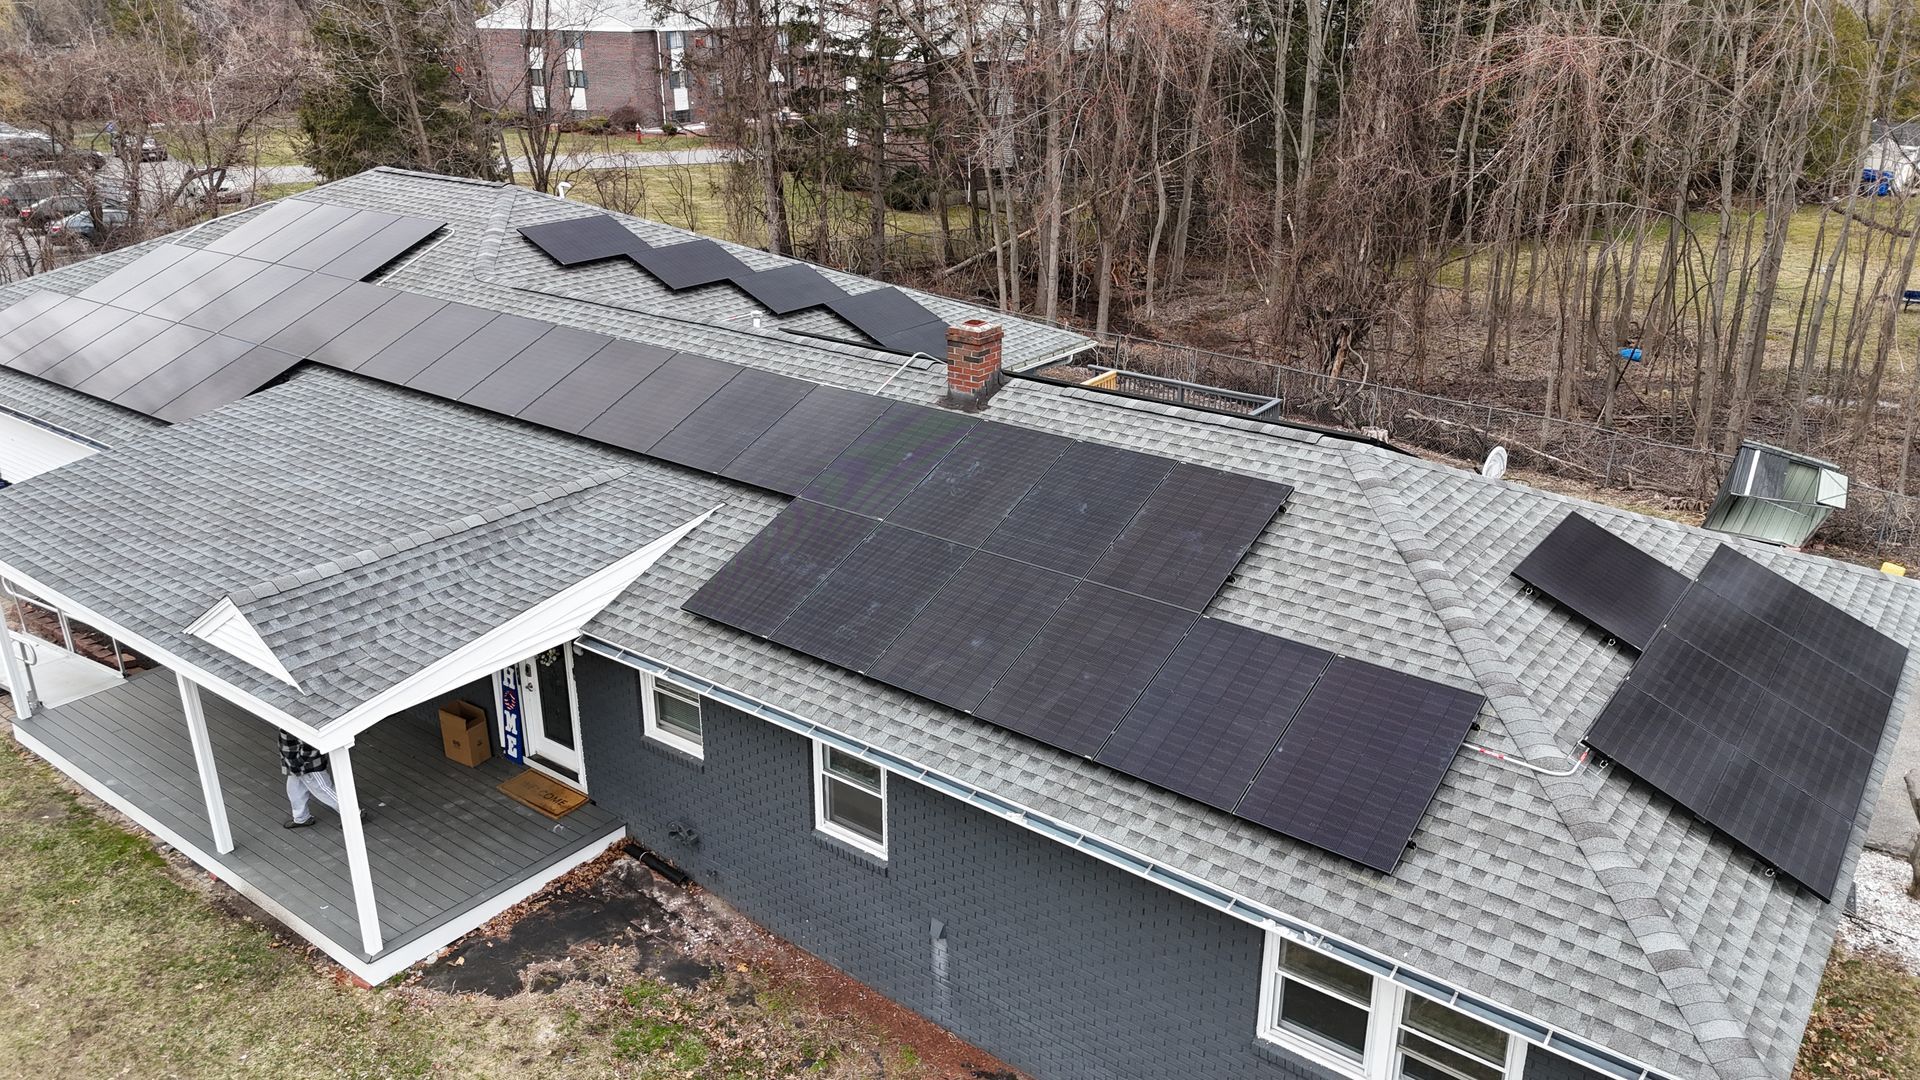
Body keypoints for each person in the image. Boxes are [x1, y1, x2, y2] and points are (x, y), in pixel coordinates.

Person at [280, 729, 339, 829]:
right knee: (294, 790)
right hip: (295, 766)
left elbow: (310, 747)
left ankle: (354, 813)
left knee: (325, 791)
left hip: (309, 767)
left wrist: (298, 762)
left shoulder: (302, 725)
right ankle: (301, 818)